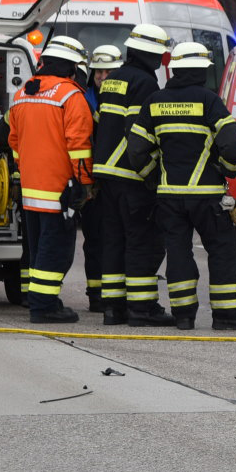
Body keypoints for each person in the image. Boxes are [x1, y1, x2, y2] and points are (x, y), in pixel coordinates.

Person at [129, 42, 236, 331]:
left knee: (178, 254)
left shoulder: (155, 101)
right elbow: (233, 148)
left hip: (169, 198)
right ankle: (227, 315)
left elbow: (136, 149)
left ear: (173, 68)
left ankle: (183, 316)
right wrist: (225, 170)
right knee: (223, 251)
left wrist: (153, 177)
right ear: (202, 71)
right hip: (208, 197)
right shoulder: (210, 101)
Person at [91, 23, 174, 326]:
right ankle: (142, 308)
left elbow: (100, 124)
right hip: (131, 175)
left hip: (106, 174)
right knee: (142, 240)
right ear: (152, 55)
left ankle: (113, 308)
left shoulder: (114, 80)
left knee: (113, 239)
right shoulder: (145, 84)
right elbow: (139, 134)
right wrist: (151, 173)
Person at [6, 37, 94, 324]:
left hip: (31, 190)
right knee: (55, 250)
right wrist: (84, 183)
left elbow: (14, 142)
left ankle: (41, 299)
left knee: (37, 248)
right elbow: (79, 145)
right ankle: (44, 307)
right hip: (59, 191)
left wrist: (27, 171)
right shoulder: (71, 96)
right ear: (71, 68)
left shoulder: (22, 95)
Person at [78, 44, 123, 310]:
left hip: (119, 181)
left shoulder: (126, 98)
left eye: (108, 72)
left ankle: (114, 293)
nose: (102, 77)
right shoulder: (84, 100)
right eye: (98, 72)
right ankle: (96, 295)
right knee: (94, 240)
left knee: (116, 238)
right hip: (93, 183)